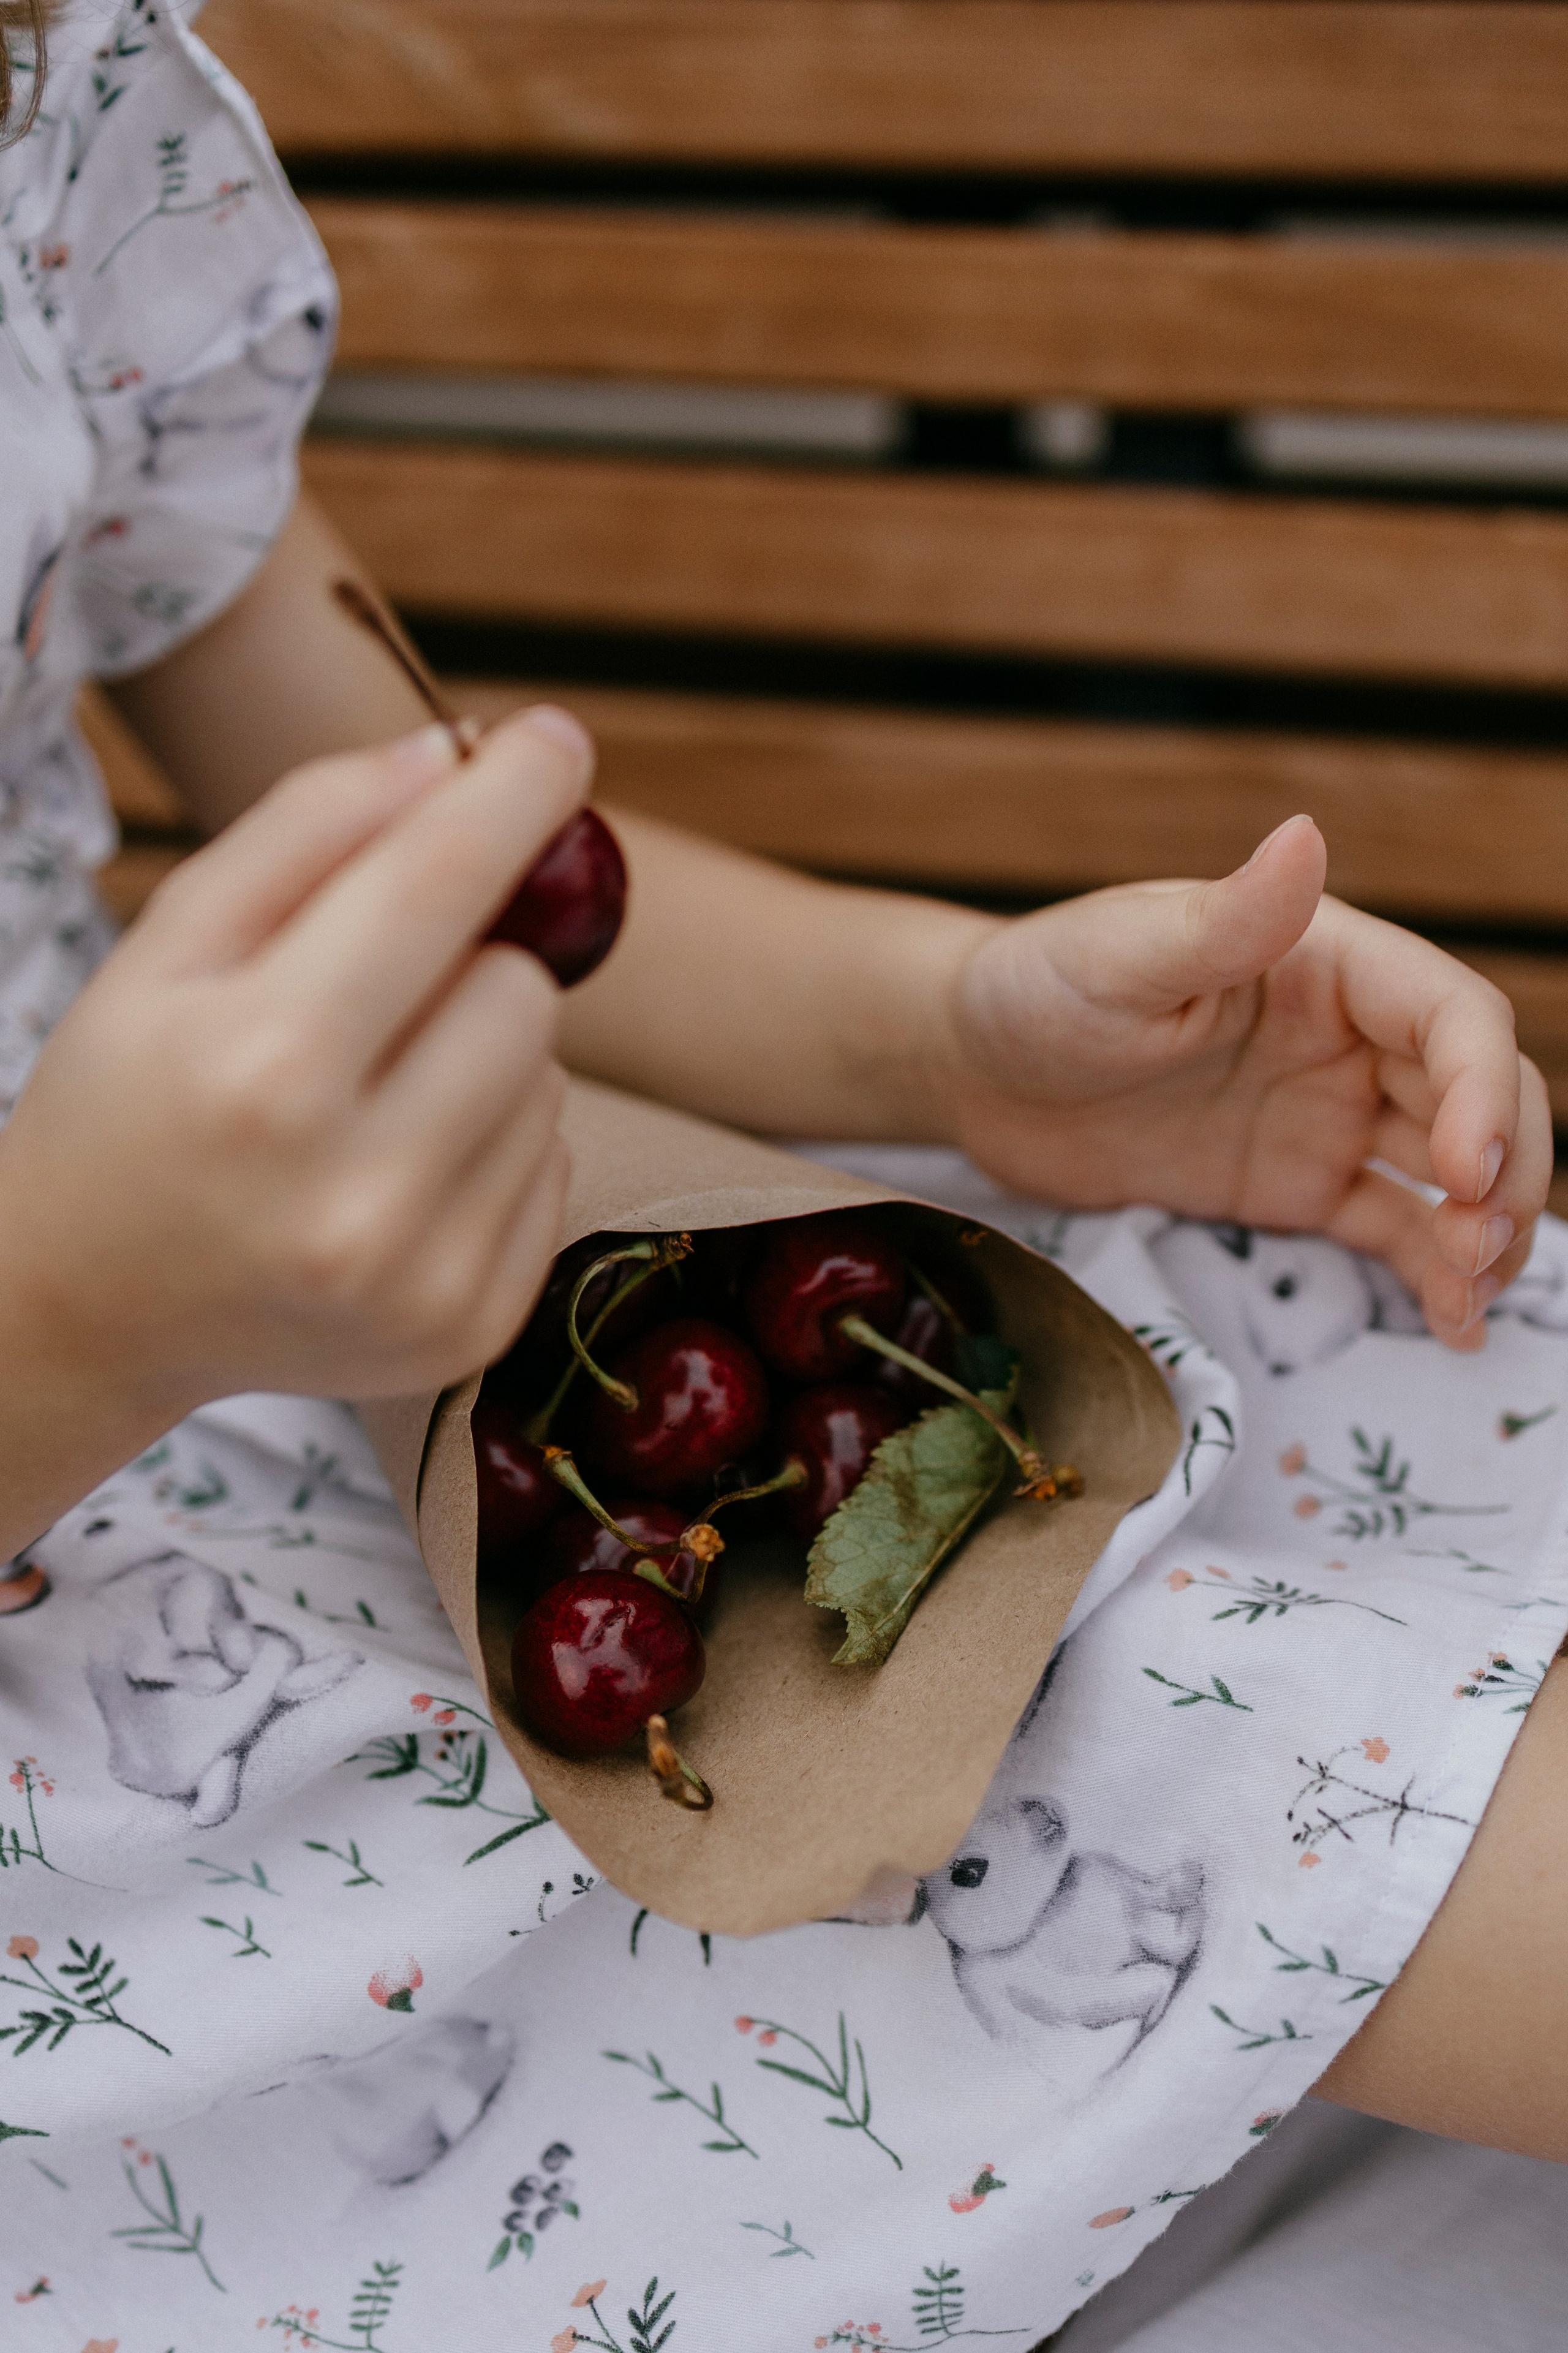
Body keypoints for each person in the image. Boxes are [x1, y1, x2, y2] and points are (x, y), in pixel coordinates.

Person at [1, 3, 1566, 2345]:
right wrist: (79, 1316)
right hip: (99, 1613)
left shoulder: (44, 89)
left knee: (1352, 1370)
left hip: (309, 1308)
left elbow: (434, 831)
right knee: (1078, 1719)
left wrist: (943, 1029)